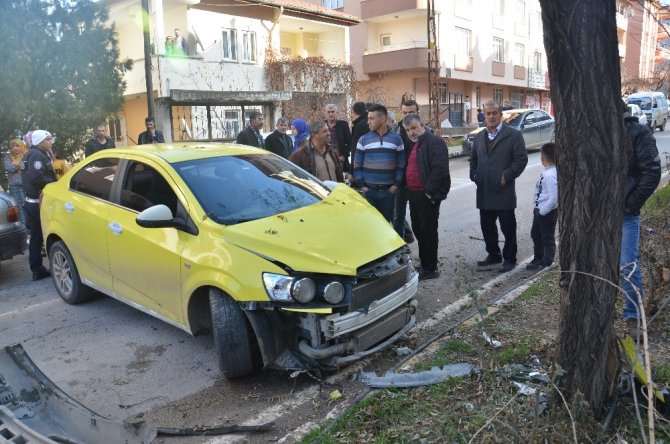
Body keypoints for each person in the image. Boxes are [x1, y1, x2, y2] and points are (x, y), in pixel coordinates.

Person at [469, 100, 528, 272]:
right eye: (488, 113)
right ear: (484, 116)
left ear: (501, 115)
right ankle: (494, 254)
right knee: (487, 226)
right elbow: (473, 159)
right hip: (485, 190)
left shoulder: (513, 135)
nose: (492, 116)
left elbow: (521, 159)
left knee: (508, 227)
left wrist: (507, 176)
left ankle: (510, 258)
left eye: (495, 113)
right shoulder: (480, 137)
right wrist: (474, 175)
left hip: (503, 190)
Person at [621, 109, 662, 337]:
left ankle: (633, 316)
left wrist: (632, 202)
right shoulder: (590, 129)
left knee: (627, 264)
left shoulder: (637, 131)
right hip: (596, 215)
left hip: (624, 212)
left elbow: (652, 171)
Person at [402, 113, 451, 281]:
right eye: (408, 130)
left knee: (428, 231)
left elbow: (440, 169)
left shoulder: (434, 142)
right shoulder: (413, 144)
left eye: (414, 128)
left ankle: (431, 268)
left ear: (422, 125)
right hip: (414, 194)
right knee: (419, 230)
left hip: (426, 195)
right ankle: (425, 264)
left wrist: (429, 192)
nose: (411, 132)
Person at [354, 104, 405, 222]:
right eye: (368, 118)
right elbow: (357, 165)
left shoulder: (396, 139)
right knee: (370, 226)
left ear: (382, 119)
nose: (368, 122)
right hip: (369, 192)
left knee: (386, 226)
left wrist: (396, 186)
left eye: (371, 119)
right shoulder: (363, 139)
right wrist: (362, 186)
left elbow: (401, 165)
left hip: (388, 193)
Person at [20, 130, 56, 281]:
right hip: (37, 202)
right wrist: (54, 183)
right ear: (40, 141)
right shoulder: (37, 155)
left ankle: (37, 269)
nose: (50, 142)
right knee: (41, 235)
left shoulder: (30, 154)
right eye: (48, 139)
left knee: (36, 236)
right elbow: (36, 178)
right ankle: (38, 269)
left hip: (31, 201)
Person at [526, 143, 558, 271]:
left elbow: (554, 197)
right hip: (540, 210)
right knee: (535, 234)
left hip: (546, 212)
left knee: (547, 237)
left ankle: (547, 262)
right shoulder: (549, 172)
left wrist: (543, 211)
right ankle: (538, 257)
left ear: (543, 158)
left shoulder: (550, 175)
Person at [3, 139, 27, 225]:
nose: (15, 148)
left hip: (26, 184)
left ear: (21, 146)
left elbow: (26, 166)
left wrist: (16, 164)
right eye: (13, 146)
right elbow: (9, 168)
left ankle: (30, 225)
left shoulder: (25, 155)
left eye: (17, 146)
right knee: (19, 206)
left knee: (27, 205)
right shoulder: (8, 157)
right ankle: (24, 226)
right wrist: (20, 165)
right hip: (15, 186)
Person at [324, 103, 352, 172]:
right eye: (329, 112)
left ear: (337, 113)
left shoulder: (343, 125)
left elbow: (349, 142)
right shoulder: (322, 125)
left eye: (333, 112)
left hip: (340, 160)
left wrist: (344, 156)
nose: (331, 114)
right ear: (326, 113)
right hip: (325, 160)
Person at [349, 101, 370, 172]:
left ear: (354, 112)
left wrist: (352, 170)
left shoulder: (359, 125)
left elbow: (355, 148)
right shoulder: (370, 121)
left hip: (361, 164)